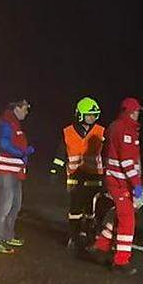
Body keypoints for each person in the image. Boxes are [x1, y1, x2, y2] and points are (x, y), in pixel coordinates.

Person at [90, 97, 143, 274]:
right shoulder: (125, 130)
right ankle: (121, 261)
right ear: (128, 112)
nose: (137, 115)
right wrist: (136, 184)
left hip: (117, 180)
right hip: (120, 182)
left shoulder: (117, 127)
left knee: (119, 217)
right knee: (128, 220)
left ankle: (101, 247)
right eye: (135, 111)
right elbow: (127, 162)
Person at [51, 97, 105, 249]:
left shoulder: (101, 131)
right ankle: (73, 237)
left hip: (94, 177)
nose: (92, 118)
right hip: (75, 177)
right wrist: (54, 171)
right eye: (89, 115)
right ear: (80, 114)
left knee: (91, 210)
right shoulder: (68, 132)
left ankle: (90, 236)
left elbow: (106, 154)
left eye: (94, 115)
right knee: (74, 209)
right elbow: (61, 153)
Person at [0, 99, 34, 253]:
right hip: (5, 171)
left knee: (15, 205)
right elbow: (3, 143)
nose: (27, 112)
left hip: (15, 171)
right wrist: (22, 152)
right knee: (5, 206)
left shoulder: (14, 123)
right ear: (16, 107)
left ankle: (9, 236)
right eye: (25, 108)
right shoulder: (6, 122)